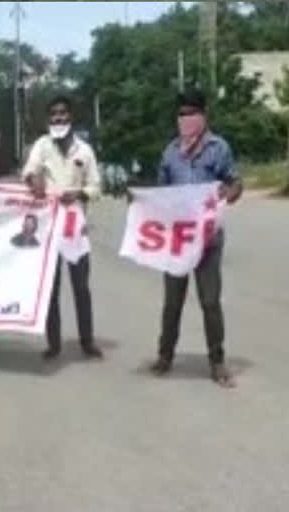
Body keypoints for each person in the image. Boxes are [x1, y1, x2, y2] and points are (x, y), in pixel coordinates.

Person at [151, 89, 242, 388]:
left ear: (203, 116)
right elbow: (161, 192)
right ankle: (165, 356)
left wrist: (230, 193)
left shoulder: (219, 148)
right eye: (181, 113)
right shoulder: (170, 152)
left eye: (192, 112)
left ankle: (217, 361)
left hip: (207, 239)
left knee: (210, 301)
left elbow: (235, 180)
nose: (186, 118)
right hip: (178, 240)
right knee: (172, 302)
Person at [22, 95, 103, 361]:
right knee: (51, 288)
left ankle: (87, 341)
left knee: (82, 287)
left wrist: (79, 193)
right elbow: (29, 170)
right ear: (49, 120)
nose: (59, 118)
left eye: (63, 114)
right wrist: (33, 180)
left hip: (75, 226)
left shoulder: (84, 150)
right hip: (48, 226)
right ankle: (53, 343)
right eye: (54, 115)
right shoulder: (42, 146)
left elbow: (96, 186)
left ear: (71, 117)